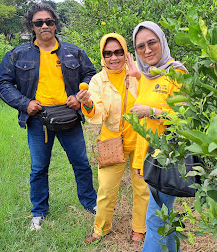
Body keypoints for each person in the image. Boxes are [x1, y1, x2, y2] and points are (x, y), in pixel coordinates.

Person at [0, 3, 97, 231]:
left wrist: (78, 97)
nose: (44, 26)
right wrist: (25, 103)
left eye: (49, 22)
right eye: (38, 22)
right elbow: (2, 82)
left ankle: (91, 203)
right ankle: (39, 212)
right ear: (31, 26)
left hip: (69, 115)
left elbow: (91, 74)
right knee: (39, 167)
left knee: (81, 163)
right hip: (39, 119)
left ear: (55, 24)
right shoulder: (17, 55)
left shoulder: (74, 52)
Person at [77, 33, 149, 245]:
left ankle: (139, 229)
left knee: (142, 189)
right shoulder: (98, 81)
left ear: (126, 53)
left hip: (140, 141)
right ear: (102, 56)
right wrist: (88, 104)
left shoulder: (139, 72)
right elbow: (99, 114)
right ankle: (101, 228)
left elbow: (152, 96)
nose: (114, 57)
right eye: (108, 53)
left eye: (118, 52)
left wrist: (138, 76)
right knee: (106, 190)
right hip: (112, 143)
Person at [129, 21, 188, 252]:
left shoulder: (177, 72)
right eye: (140, 46)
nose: (147, 50)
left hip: (168, 157)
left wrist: (152, 112)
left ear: (162, 41)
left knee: (154, 220)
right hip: (150, 159)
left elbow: (187, 117)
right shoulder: (147, 76)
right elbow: (144, 129)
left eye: (152, 42)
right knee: (163, 218)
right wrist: (138, 161)